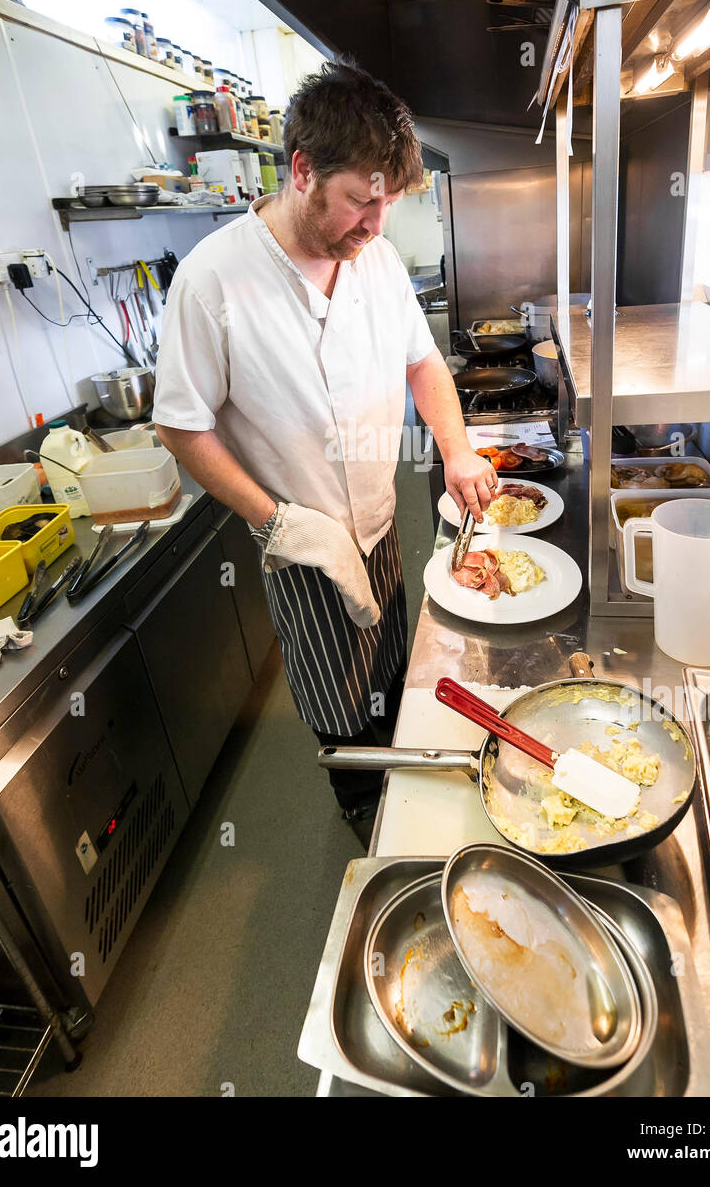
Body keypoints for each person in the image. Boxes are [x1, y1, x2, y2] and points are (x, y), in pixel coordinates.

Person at [152, 57, 496, 840]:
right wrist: (274, 521)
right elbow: (180, 424)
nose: (375, 228)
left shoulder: (370, 257)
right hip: (303, 540)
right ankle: (365, 818)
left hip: (379, 517)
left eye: (387, 208)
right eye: (359, 204)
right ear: (301, 169)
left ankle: (403, 787)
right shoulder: (214, 281)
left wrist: (456, 448)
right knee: (337, 704)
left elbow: (420, 360)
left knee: (391, 672)